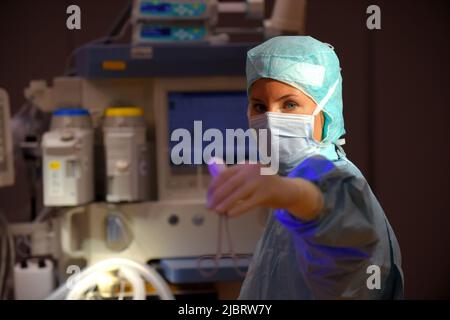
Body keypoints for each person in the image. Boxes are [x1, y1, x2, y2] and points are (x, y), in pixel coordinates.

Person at [206, 36, 404, 299]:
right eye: (259, 106)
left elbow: (336, 217)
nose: (271, 119)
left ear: (326, 110)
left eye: (289, 104)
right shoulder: (284, 180)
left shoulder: (342, 182)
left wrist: (292, 193)